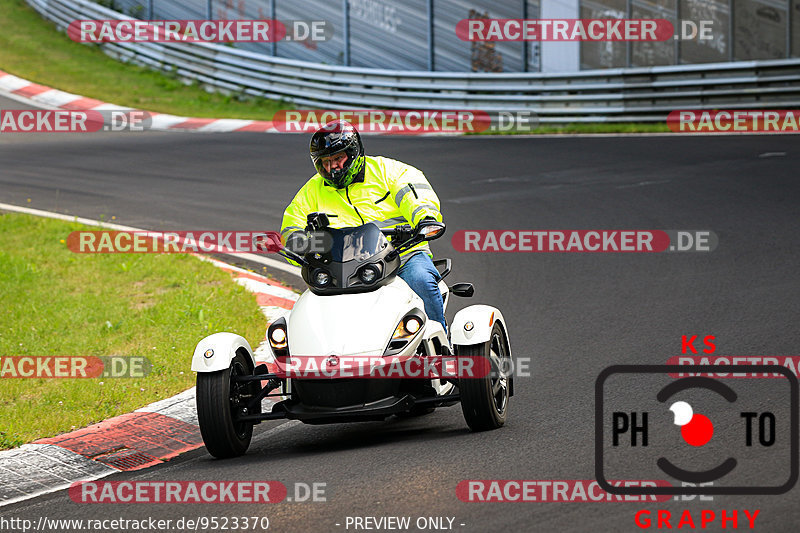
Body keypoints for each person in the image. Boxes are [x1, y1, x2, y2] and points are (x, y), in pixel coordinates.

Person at [280, 120, 447, 332]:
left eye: (338, 158)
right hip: (341, 267)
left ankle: (442, 354)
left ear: (353, 153)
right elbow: (292, 222)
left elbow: (416, 197)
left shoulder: (390, 171)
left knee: (421, 280)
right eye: (326, 161)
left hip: (402, 254)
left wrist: (425, 218)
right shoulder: (312, 190)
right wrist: (296, 242)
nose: (332, 167)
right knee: (314, 305)